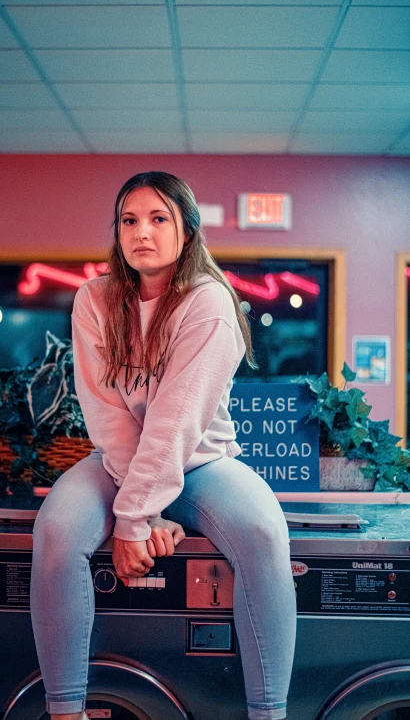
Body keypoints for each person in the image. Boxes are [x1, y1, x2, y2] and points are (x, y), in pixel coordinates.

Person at [30, 171, 297, 720]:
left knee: (264, 532)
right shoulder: (95, 300)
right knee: (56, 530)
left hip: (202, 461)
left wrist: (133, 520)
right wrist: (140, 513)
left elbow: (177, 421)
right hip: (120, 459)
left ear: (188, 232)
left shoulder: (210, 302)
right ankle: (65, 711)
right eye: (129, 220)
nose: (141, 233)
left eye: (159, 219)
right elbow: (106, 411)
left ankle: (269, 714)